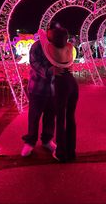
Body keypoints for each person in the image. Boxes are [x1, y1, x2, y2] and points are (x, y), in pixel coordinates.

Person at [39, 26, 79, 162]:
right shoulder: (69, 47)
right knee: (71, 118)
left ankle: (61, 152)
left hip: (61, 83)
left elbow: (41, 35)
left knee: (61, 119)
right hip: (72, 82)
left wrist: (48, 33)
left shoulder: (51, 48)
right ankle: (71, 151)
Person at [21, 22, 60, 157]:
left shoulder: (59, 46)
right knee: (34, 116)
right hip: (38, 88)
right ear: (48, 31)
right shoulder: (37, 46)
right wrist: (49, 71)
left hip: (54, 89)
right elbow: (34, 63)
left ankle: (47, 140)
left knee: (50, 116)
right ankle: (30, 142)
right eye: (53, 31)